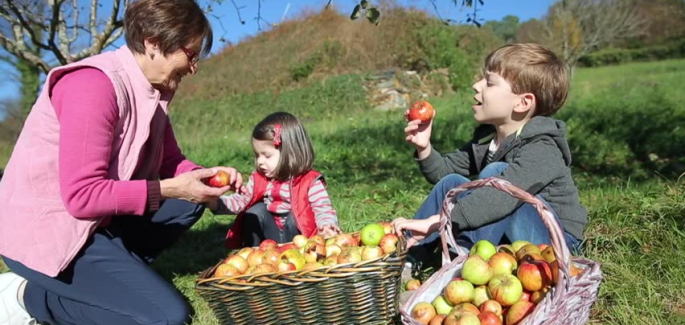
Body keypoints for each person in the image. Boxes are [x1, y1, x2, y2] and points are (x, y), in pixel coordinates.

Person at [0, 0, 244, 324]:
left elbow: (170, 162)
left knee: (189, 202)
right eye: (191, 54)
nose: (194, 67)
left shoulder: (151, 95)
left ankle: (114, 279)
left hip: (96, 224)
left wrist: (206, 177)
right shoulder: (93, 86)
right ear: (154, 43)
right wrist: (170, 188)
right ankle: (28, 296)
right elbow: (82, 197)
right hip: (50, 230)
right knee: (167, 317)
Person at [393, 43, 587, 268]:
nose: (476, 86)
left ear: (522, 102)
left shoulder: (543, 147)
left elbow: (500, 197)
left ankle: (463, 264)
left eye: (489, 82)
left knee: (495, 177)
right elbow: (442, 172)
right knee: (452, 182)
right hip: (514, 231)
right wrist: (424, 147)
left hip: (555, 243)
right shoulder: (489, 142)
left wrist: (439, 221)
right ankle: (408, 259)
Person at [210, 112, 342, 248]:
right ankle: (252, 252)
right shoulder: (259, 179)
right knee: (255, 212)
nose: (260, 161)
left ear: (290, 154)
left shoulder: (309, 182)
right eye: (257, 155)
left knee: (293, 218)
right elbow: (241, 201)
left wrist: (327, 226)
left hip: (300, 238)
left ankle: (300, 254)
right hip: (269, 236)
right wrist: (213, 201)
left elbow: (323, 208)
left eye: (267, 156)